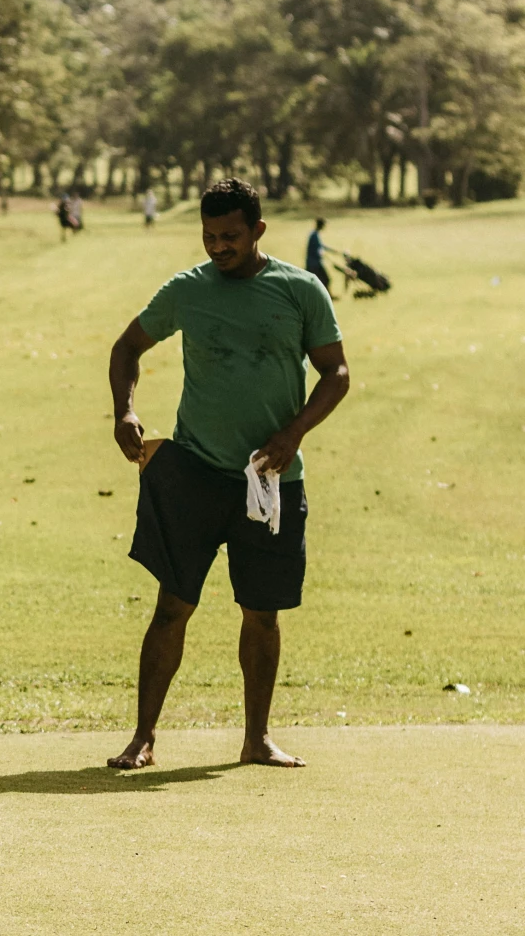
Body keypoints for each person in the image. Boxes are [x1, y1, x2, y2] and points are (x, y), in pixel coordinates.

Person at [105, 176, 349, 770]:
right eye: (210, 236)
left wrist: (292, 435)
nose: (219, 247)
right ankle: (143, 738)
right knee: (171, 606)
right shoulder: (188, 290)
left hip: (270, 480)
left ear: (258, 230)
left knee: (261, 614)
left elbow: (336, 374)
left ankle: (256, 739)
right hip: (195, 472)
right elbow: (125, 349)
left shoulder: (300, 289)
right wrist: (126, 410)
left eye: (231, 236)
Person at [305, 214, 333, 294]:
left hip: (312, 263)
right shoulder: (314, 235)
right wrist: (322, 254)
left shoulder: (314, 234)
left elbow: (321, 246)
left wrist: (334, 251)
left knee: (316, 281)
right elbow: (317, 250)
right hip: (314, 264)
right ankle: (328, 296)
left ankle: (328, 295)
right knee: (325, 279)